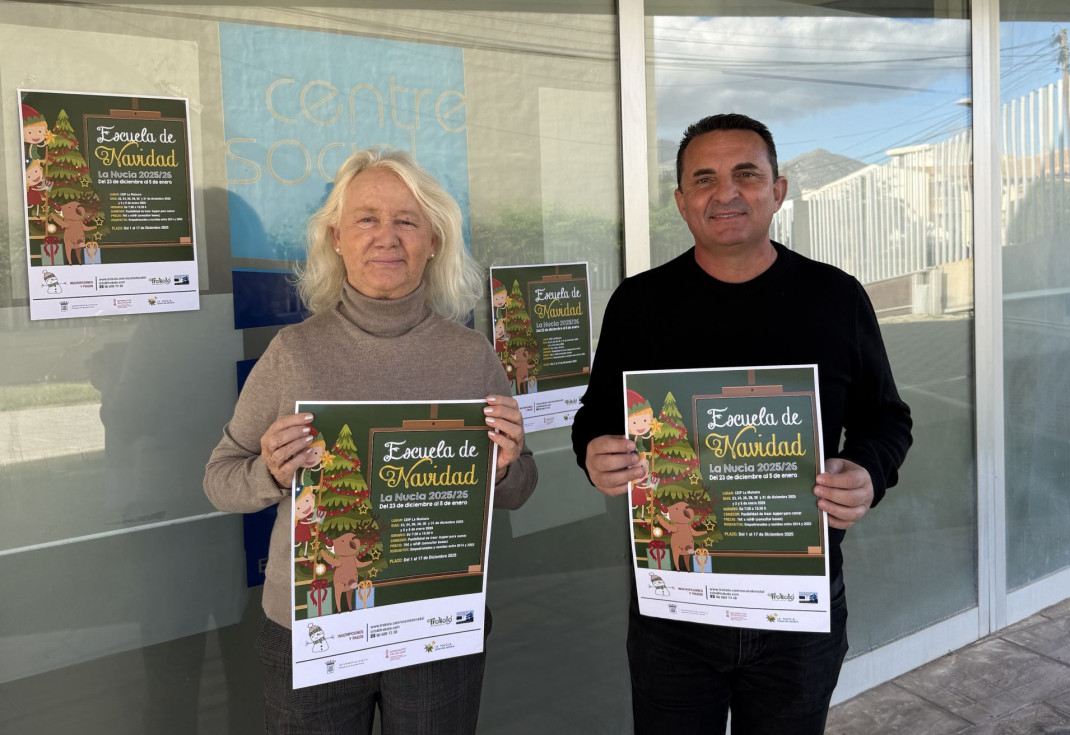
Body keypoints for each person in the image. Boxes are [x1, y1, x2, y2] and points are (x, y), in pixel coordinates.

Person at [570, 113, 912, 734]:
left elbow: (886, 417)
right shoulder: (639, 305)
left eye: (746, 174)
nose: (725, 193)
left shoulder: (836, 298)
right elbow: (596, 415)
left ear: (777, 191)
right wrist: (594, 450)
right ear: (681, 202)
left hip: (797, 610)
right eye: (704, 179)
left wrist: (868, 471)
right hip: (675, 610)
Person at [204, 148, 538, 734]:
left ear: (433, 241)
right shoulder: (292, 353)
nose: (387, 237)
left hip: (435, 626)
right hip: (313, 628)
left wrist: (508, 466)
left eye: (407, 220)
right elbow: (220, 480)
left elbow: (518, 487)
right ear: (336, 237)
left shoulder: (471, 357)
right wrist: (270, 473)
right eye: (366, 219)